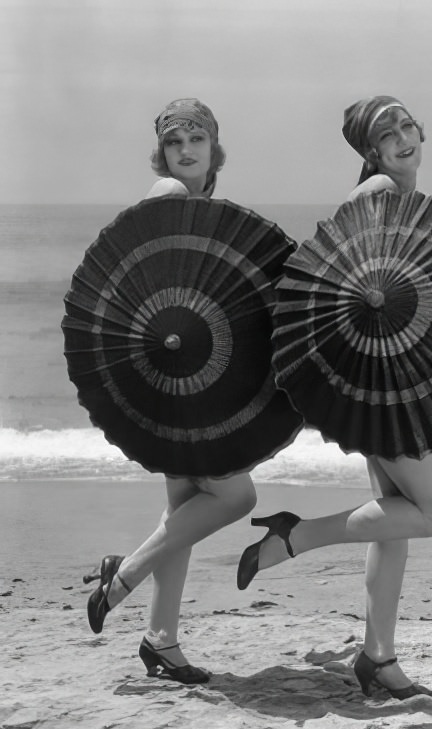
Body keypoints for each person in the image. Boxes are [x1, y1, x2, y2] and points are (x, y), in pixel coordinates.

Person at [236, 96, 432, 702]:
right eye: (388, 134)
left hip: (383, 381)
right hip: (385, 388)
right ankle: (294, 536)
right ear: (372, 153)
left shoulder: (398, 196)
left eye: (407, 125)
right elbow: (343, 288)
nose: (403, 138)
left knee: (394, 523)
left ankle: (377, 657)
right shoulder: (379, 192)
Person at [85, 98, 255, 685]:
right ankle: (124, 573)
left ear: (214, 149)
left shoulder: (202, 205)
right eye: (176, 143)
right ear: (162, 153)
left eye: (197, 141)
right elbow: (143, 282)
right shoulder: (169, 198)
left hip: (180, 376)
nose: (186, 151)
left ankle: (161, 641)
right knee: (236, 498)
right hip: (176, 381)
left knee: (183, 511)